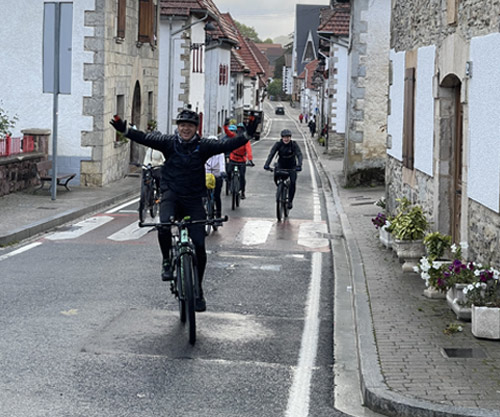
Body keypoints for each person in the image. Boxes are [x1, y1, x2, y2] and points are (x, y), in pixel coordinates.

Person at [110, 109, 249, 312]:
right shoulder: (168, 142)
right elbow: (144, 138)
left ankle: (198, 290)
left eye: (190, 126)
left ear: (195, 129)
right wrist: (124, 130)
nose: (185, 129)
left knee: (200, 246)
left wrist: (246, 136)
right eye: (182, 125)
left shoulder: (203, 146)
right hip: (171, 195)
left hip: (193, 199)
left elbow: (225, 145)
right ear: (178, 127)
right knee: (163, 225)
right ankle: (167, 261)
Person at [263, 129, 303, 209]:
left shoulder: (293, 144)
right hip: (281, 164)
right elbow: (271, 154)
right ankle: (280, 190)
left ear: (290, 138)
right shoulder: (278, 144)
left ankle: (290, 201)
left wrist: (299, 165)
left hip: (292, 166)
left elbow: (299, 155)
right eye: (284, 137)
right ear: (282, 138)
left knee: (292, 183)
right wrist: (267, 164)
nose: (286, 139)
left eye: (288, 137)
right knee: (276, 176)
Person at [227, 123, 254, 199]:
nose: (239, 131)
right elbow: (227, 146)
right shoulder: (233, 138)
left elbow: (249, 150)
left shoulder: (245, 140)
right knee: (228, 171)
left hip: (242, 160)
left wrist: (250, 160)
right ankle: (229, 183)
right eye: (238, 130)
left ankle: (242, 192)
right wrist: (227, 156)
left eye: (241, 130)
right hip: (233, 158)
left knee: (242, 176)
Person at [205, 135, 225, 221]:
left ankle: (218, 216)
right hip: (206, 175)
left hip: (217, 175)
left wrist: (222, 172)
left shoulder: (220, 153)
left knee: (217, 196)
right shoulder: (204, 151)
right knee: (202, 196)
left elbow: (222, 163)